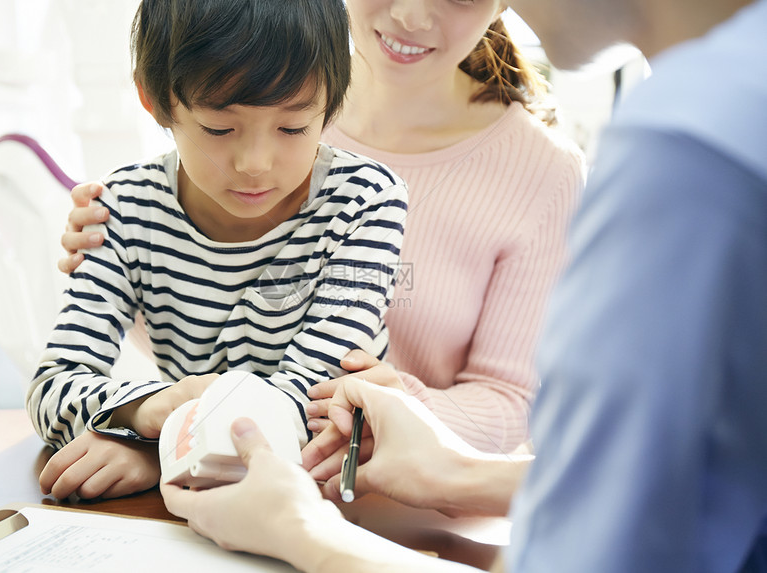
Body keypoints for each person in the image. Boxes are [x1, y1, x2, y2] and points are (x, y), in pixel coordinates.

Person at [161, 0, 767, 570]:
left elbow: (602, 512)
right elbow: (672, 477)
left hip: (390, 524)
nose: (413, 14)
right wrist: (128, 242)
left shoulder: (688, 149)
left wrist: (309, 532)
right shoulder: (260, 120)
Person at [60, 0, 586, 454]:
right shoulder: (261, 91)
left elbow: (511, 401)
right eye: (221, 127)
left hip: (397, 498)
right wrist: (111, 254)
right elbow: (197, 333)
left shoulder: (543, 171)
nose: (409, 15)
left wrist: (392, 407)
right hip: (222, 469)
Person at [28, 0, 409, 501]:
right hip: (205, 507)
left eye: (292, 128)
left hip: (335, 498)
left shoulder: (364, 201)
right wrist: (151, 410)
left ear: (333, 102)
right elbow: (52, 387)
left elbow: (311, 405)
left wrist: (162, 443)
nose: (254, 163)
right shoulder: (121, 208)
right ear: (155, 99)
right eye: (218, 129)